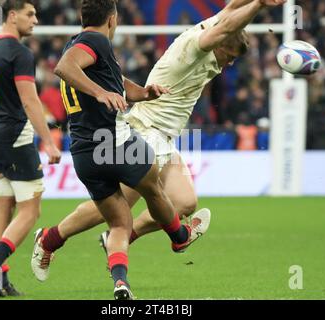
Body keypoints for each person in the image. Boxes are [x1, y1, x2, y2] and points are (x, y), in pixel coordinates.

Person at [31, 0, 285, 294]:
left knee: (185, 202)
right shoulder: (196, 47)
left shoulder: (207, 31)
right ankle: (51, 239)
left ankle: (128, 237)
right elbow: (228, 24)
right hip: (147, 131)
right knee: (117, 209)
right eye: (229, 55)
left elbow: (228, 13)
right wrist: (261, 6)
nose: (229, 63)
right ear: (220, 43)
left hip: (162, 136)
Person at [33, 0, 208, 300]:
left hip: (85, 153)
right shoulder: (95, 40)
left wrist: (142, 93)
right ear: (112, 19)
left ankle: (120, 283)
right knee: (154, 190)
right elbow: (65, 68)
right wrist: (101, 93)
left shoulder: (79, 44)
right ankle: (180, 237)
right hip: (114, 144)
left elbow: (112, 82)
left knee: (119, 222)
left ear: (81, 16)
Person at [0, 0, 62, 297]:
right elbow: (29, 100)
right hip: (14, 137)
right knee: (30, 210)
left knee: (2, 206)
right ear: (12, 16)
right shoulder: (20, 53)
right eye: (30, 14)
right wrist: (48, 141)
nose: (35, 20)